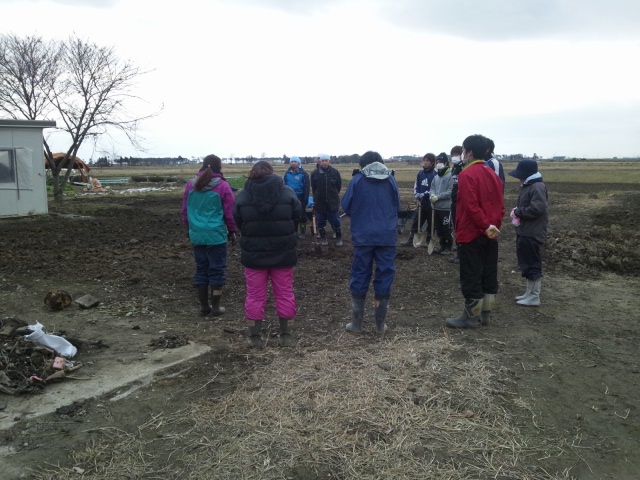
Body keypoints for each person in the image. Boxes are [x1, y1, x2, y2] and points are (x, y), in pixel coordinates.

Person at [233, 161, 302, 347]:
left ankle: (254, 337)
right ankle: (286, 335)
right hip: (283, 253)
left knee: (254, 295)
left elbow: (238, 221)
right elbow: (296, 217)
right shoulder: (287, 192)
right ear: (271, 172)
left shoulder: (243, 195)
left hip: (254, 255)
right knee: (285, 293)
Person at [446, 135, 504, 328]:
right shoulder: (492, 174)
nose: (462, 154)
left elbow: (470, 206)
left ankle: (470, 316)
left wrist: (484, 225)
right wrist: (492, 227)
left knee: (471, 273)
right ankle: (485, 314)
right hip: (491, 232)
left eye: (463, 150)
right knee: (488, 272)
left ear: (469, 152)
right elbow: (500, 205)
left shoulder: (466, 175)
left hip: (471, 232)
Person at [341, 151, 400, 334]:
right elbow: (397, 206)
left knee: (360, 274)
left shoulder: (358, 180)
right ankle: (380, 325)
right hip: (387, 236)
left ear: (363, 164)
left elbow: (346, 205)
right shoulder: (390, 180)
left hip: (363, 236)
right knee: (385, 274)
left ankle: (356, 324)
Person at [182, 154, 237, 317]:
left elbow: (185, 210)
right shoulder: (223, 186)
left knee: (201, 269)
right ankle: (216, 307)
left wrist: (189, 228)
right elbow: (229, 212)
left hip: (197, 234)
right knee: (216, 270)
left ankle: (204, 307)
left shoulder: (190, 185)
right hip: (216, 235)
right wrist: (232, 230)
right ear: (219, 166)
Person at [508, 159, 548, 307]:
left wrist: (518, 212)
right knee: (527, 263)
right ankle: (529, 293)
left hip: (532, 232)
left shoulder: (537, 187)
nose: (518, 178)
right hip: (526, 231)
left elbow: (537, 208)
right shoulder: (530, 185)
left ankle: (534, 296)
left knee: (532, 264)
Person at [400, 153, 436, 246]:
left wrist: (426, 194)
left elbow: (435, 188)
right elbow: (417, 185)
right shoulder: (420, 173)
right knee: (417, 222)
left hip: (431, 204)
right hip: (421, 203)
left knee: (431, 224)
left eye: (427, 161)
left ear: (432, 162)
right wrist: (417, 194)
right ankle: (411, 240)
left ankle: (428, 242)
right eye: (424, 160)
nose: (424, 162)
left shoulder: (435, 174)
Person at [310, 153, 343, 246]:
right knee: (320, 221)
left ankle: (338, 237)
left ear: (329, 161)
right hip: (320, 202)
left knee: (335, 220)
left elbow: (338, 186)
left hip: (332, 201)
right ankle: (323, 238)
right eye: (322, 161)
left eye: (326, 161)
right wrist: (316, 198)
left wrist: (333, 195)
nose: (324, 162)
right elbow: (314, 188)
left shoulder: (335, 172)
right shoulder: (315, 173)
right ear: (319, 162)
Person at [429, 152, 454, 255]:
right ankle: (442, 246)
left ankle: (448, 246)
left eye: (441, 162)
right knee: (439, 229)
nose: (439, 164)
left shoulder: (451, 175)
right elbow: (432, 188)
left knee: (446, 228)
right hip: (436, 207)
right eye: (438, 162)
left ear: (446, 163)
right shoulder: (436, 177)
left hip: (446, 208)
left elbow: (451, 191)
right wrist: (432, 195)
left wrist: (438, 197)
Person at [283, 156, 310, 238]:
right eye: (292, 162)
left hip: (300, 197)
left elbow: (306, 187)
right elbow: (284, 185)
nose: (293, 163)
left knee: (302, 215)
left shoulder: (303, 174)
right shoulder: (287, 174)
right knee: (291, 215)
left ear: (298, 163)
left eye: (295, 161)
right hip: (290, 197)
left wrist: (305, 198)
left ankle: (302, 232)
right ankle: (294, 232)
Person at [448, 145, 464, 264]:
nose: (454, 157)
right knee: (456, 227)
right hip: (454, 201)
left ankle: (461, 253)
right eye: (453, 155)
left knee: (461, 227)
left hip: (461, 202)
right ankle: (459, 250)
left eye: (456, 154)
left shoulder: (464, 167)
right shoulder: (454, 168)